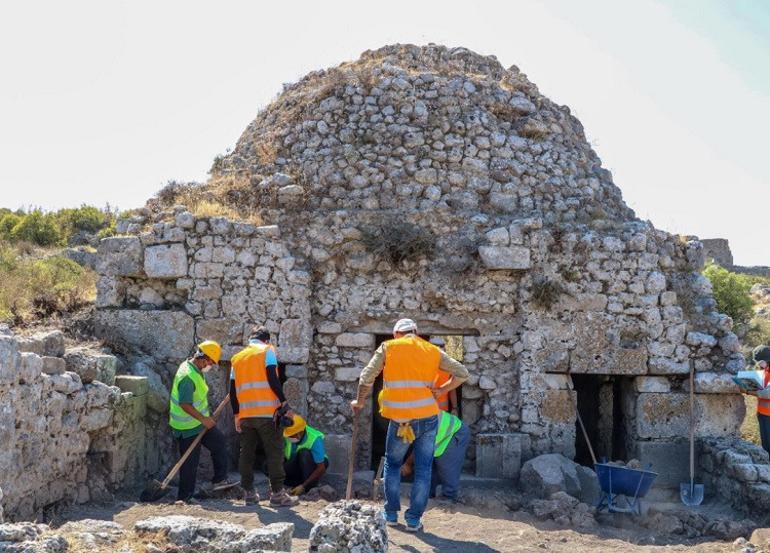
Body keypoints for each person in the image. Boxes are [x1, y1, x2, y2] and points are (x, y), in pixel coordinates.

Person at [352, 318, 469, 532]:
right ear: (415, 332)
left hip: (399, 419)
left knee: (393, 465)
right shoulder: (431, 350)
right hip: (427, 417)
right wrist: (442, 390)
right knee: (423, 469)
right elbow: (462, 373)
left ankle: (390, 514)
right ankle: (414, 520)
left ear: (396, 333)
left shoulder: (388, 347)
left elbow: (366, 377)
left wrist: (359, 401)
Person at [230, 325, 298, 507]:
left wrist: (237, 415)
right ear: (266, 340)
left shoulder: (237, 358)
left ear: (250, 339)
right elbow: (272, 379)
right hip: (268, 414)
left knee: (246, 454)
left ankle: (249, 494)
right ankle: (277, 494)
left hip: (245, 414)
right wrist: (284, 403)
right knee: (274, 452)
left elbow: (232, 389)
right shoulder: (268, 351)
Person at [168, 340, 237, 502]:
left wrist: (204, 419)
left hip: (198, 422)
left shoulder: (196, 369)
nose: (211, 366)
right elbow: (184, 404)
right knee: (190, 463)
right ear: (202, 358)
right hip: (186, 426)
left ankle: (219, 480)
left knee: (219, 442)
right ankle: (184, 497)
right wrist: (204, 420)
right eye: (211, 362)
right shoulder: (187, 376)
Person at [400, 409, 470, 501]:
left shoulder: (421, 418)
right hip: (438, 436)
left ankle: (448, 497)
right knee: (429, 466)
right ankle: (426, 494)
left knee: (447, 468)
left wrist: (408, 464)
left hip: (453, 433)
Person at [283, 414, 329, 495]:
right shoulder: (287, 434)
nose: (288, 437)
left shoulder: (315, 438)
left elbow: (321, 468)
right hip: (295, 465)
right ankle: (295, 484)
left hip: (312, 468)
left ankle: (308, 486)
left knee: (304, 453)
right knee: (269, 465)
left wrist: (303, 486)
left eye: (291, 435)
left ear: (299, 433)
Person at [743, 345, 770, 453]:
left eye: (759, 361)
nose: (758, 364)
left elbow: (767, 393)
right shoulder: (765, 371)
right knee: (766, 446)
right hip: (763, 414)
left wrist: (748, 390)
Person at [429, 337, 459, 414]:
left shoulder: (449, 367)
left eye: (440, 346)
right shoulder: (422, 366)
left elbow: (452, 388)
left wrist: (455, 408)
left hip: (440, 411)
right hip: (428, 411)